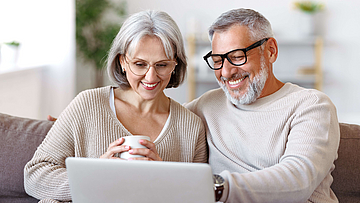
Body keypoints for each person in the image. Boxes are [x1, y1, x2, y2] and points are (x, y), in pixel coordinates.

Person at [24, 10, 207, 202]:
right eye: (139, 64)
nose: (151, 77)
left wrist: (162, 179)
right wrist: (96, 177)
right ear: (123, 62)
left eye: (161, 65)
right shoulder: (87, 104)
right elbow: (35, 175)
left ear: (175, 64)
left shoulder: (191, 128)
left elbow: (198, 197)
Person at [184, 8, 340, 203]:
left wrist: (216, 187)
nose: (226, 72)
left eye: (237, 56)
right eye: (217, 60)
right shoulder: (205, 106)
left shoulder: (312, 106)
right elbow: (161, 118)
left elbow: (298, 179)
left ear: (271, 51)